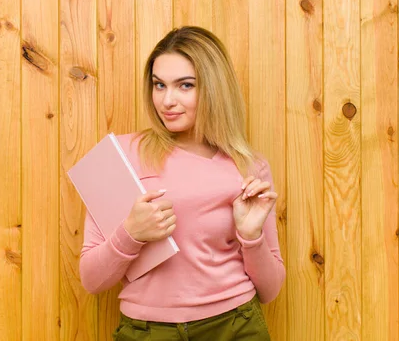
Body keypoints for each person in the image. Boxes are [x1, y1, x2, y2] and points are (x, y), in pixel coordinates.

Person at [79, 26, 285, 340]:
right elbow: (91, 280)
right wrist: (131, 234)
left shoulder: (249, 167)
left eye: (185, 85)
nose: (167, 100)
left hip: (235, 326)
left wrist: (250, 236)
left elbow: (270, 290)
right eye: (159, 85)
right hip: (146, 331)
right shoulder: (120, 155)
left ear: (213, 88)